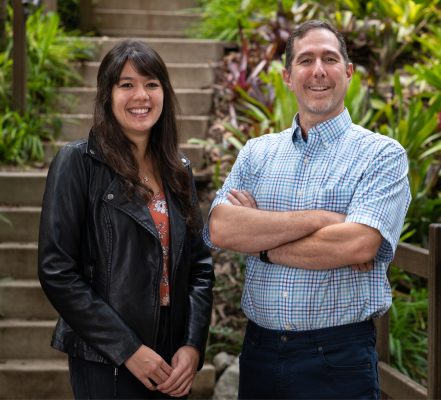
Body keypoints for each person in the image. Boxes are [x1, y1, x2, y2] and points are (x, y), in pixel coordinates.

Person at [203, 20, 411, 399]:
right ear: (287, 75)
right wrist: (322, 221)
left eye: (330, 59)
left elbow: (359, 245)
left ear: (348, 72)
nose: (318, 71)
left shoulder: (382, 155)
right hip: (259, 353)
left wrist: (259, 244)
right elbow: (220, 228)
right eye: (305, 60)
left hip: (338, 358)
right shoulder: (257, 153)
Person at [38, 40, 215, 399]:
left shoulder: (178, 169)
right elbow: (57, 270)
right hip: (106, 356)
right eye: (127, 84)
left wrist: (193, 345)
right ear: (108, 94)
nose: (141, 96)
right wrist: (128, 350)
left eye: (152, 84)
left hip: (171, 355)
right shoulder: (77, 163)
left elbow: (200, 266)